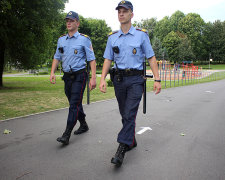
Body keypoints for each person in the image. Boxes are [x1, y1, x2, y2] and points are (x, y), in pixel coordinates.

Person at [99, 0, 161, 166]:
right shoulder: (112, 38)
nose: (121, 13)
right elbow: (107, 59)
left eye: (125, 11)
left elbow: (151, 57)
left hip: (135, 80)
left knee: (130, 113)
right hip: (119, 80)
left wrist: (157, 79)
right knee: (125, 113)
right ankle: (131, 140)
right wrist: (102, 78)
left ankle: (121, 148)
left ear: (131, 14)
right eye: (119, 11)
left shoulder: (141, 35)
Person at [50, 11, 96, 145]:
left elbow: (91, 59)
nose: (68, 23)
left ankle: (66, 134)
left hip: (79, 76)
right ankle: (84, 124)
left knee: (74, 104)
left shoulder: (84, 39)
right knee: (74, 103)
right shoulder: (61, 40)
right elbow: (57, 57)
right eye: (67, 21)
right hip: (67, 77)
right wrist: (52, 72)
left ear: (77, 23)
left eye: (71, 20)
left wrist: (93, 78)